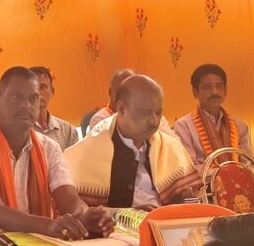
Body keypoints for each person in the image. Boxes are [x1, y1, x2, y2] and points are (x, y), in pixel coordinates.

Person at [0, 67, 114, 239]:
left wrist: (87, 216)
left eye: (33, 99)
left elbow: (70, 202)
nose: (26, 106)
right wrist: (49, 226)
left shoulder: (50, 149)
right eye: (16, 97)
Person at [65, 75, 201, 210]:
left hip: (166, 221)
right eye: (145, 113)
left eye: (158, 113)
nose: (154, 121)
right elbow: (81, 212)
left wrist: (186, 200)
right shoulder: (88, 152)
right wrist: (131, 214)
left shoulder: (170, 147)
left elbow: (191, 199)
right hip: (115, 224)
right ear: (121, 108)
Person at [173, 64, 253, 168]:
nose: (214, 92)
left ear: (225, 90)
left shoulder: (240, 126)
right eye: (207, 87)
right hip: (204, 179)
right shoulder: (183, 126)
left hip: (238, 178)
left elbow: (249, 163)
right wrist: (221, 174)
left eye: (219, 86)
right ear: (195, 92)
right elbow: (189, 167)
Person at [89, 68, 175, 137]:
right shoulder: (100, 119)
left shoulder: (153, 114)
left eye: (134, 92)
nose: (129, 96)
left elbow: (173, 142)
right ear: (110, 92)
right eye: (122, 91)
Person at [29, 66, 78, 150]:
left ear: (52, 91)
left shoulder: (68, 131)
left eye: (43, 87)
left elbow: (75, 157)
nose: (38, 92)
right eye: (33, 88)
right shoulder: (20, 132)